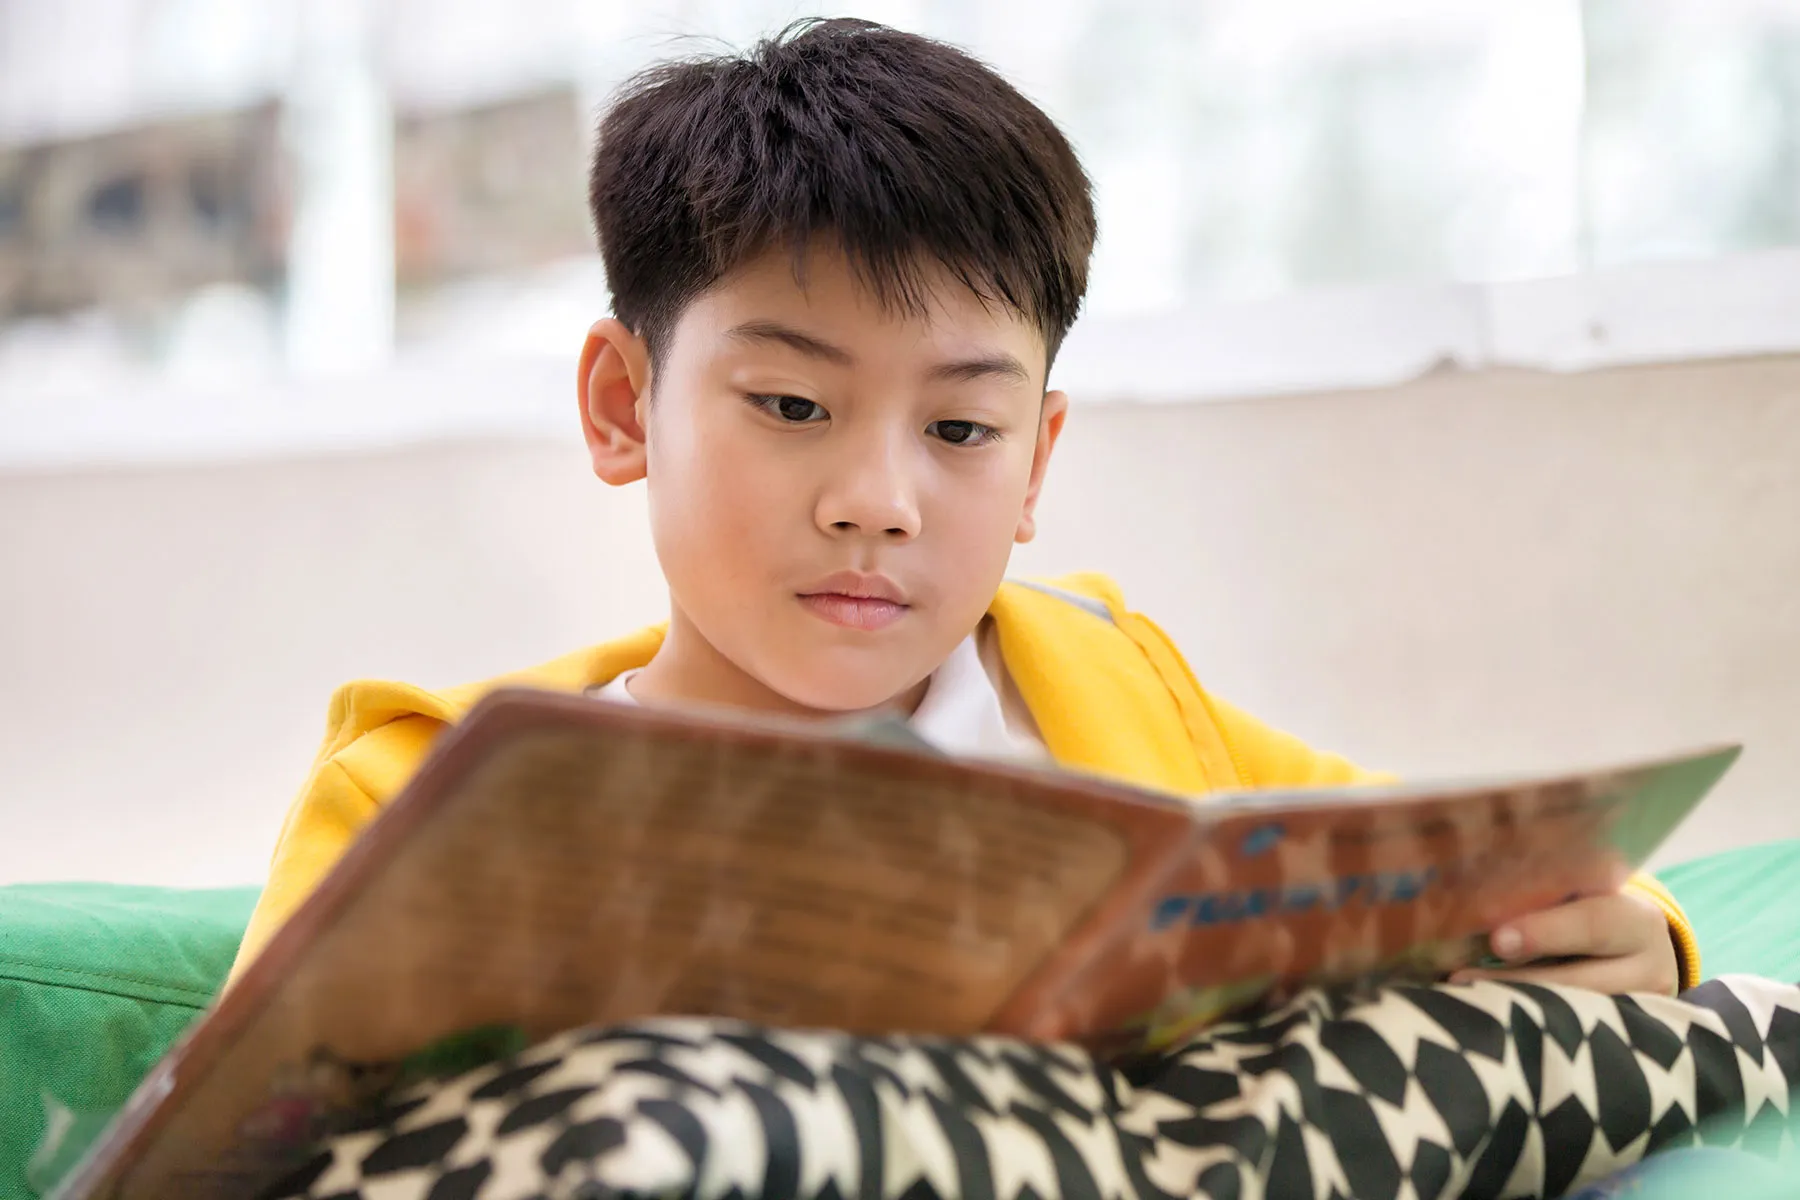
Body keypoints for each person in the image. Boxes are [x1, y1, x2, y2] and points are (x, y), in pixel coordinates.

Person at [229, 18, 1695, 1002]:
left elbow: (1466, 871)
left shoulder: (1112, 685)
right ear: (625, 406)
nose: (878, 503)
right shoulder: (426, 797)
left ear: (1038, 462)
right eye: (793, 407)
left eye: (962, 428)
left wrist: (1645, 933)